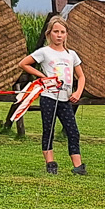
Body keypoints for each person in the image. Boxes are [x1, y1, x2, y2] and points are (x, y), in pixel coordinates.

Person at [17, 16, 86, 175]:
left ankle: (78, 165)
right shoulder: (44, 52)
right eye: (56, 32)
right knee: (49, 129)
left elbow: (81, 76)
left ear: (67, 34)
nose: (59, 35)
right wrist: (42, 77)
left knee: (73, 131)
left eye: (62, 32)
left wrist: (78, 92)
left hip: (65, 99)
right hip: (49, 97)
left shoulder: (71, 54)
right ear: (49, 33)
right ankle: (50, 162)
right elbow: (24, 63)